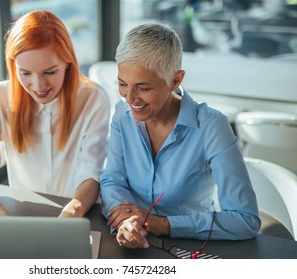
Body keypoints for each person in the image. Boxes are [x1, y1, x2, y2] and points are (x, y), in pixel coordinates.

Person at [100, 23, 261, 249]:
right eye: (122, 84)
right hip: (132, 239)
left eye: (143, 88)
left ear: (175, 81)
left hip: (190, 245)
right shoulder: (122, 113)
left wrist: (163, 224)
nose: (130, 98)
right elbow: (112, 179)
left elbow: (245, 221)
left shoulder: (212, 126)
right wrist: (126, 220)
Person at [0, 11, 110, 218]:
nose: (38, 86)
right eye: (25, 73)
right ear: (13, 66)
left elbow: (92, 173)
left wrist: (71, 213)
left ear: (67, 62)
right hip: (23, 215)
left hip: (80, 214)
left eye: (50, 72)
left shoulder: (94, 98)